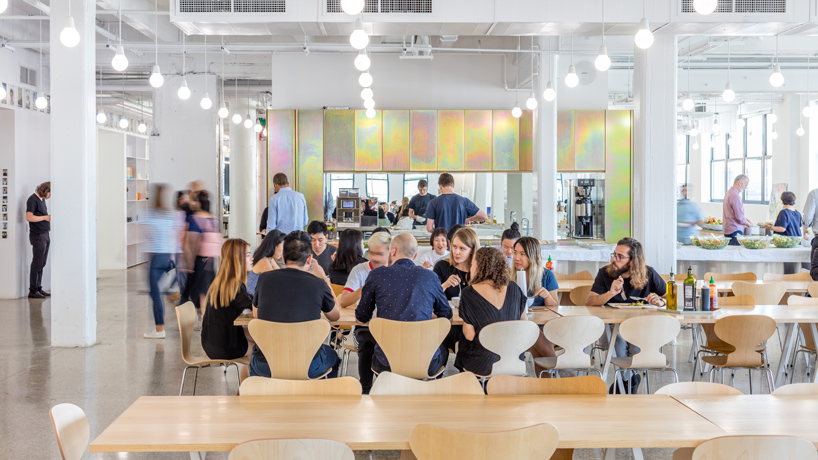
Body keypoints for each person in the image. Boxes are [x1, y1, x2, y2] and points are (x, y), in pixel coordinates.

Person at [356, 233, 452, 377]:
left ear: (392, 251)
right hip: (425, 363)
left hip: (386, 363)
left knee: (371, 344)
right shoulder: (430, 277)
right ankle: (431, 392)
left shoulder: (377, 275)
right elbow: (446, 316)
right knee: (442, 347)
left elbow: (361, 317)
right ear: (415, 256)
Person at [250, 231, 341, 379]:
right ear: (310, 259)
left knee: (255, 359)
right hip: (307, 364)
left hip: (267, 364)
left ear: (284, 257)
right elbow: (336, 316)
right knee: (333, 357)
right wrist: (323, 276)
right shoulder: (318, 283)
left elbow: (256, 316)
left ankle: (265, 396)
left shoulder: (265, 279)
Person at [585, 237, 666, 391]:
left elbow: (669, 297)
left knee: (636, 350)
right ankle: (630, 382)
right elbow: (589, 302)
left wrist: (661, 302)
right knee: (618, 346)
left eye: (620, 257)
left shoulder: (649, 273)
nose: (614, 259)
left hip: (641, 327)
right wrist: (610, 293)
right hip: (612, 325)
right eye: (614, 254)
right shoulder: (605, 273)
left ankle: (624, 385)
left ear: (633, 261)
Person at [455, 247, 527, 376]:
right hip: (514, 359)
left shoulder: (469, 293)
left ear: (479, 267)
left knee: (461, 342)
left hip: (484, 363)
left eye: (472, 264)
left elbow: (469, 335)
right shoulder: (515, 289)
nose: (470, 268)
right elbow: (523, 325)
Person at [337, 231, 391, 393]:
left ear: (391, 251)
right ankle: (365, 388)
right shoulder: (360, 270)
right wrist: (367, 286)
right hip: (364, 326)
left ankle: (390, 388)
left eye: (380, 254)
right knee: (367, 343)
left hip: (392, 325)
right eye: (372, 253)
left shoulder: (397, 271)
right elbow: (344, 301)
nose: (374, 258)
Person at [201, 239, 256, 382]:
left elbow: (251, 301)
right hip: (223, 346)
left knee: (258, 337)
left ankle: (245, 390)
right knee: (261, 350)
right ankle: (248, 390)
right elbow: (256, 306)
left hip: (211, 342)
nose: (252, 258)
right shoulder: (235, 287)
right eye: (248, 255)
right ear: (237, 259)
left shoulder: (224, 282)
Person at [143, 185, 182, 339]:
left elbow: (147, 236)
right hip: (168, 257)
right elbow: (177, 235)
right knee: (157, 292)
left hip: (156, 258)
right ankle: (159, 329)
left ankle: (159, 329)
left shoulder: (150, 215)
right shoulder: (168, 216)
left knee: (155, 294)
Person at [183, 191, 220, 314]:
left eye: (194, 200)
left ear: (199, 203)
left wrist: (188, 261)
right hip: (211, 258)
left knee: (201, 289)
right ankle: (204, 314)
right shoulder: (213, 218)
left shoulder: (194, 218)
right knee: (207, 286)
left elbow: (190, 242)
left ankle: (204, 317)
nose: (191, 203)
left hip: (200, 258)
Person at [434, 227, 480, 300]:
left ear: (472, 250)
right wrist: (445, 285)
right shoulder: (441, 266)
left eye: (462, 248)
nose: (456, 252)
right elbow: (430, 297)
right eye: (454, 246)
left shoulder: (480, 271)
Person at [513, 237, 559, 307]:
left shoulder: (547, 275)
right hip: (516, 317)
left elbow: (555, 307)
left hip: (541, 317)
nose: (516, 258)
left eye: (522, 254)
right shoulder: (507, 275)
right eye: (515, 252)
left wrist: (547, 296)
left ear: (533, 257)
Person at [25, 181, 51, 299]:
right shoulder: (32, 199)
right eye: (50, 193)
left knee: (42, 263)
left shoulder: (42, 200)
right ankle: (33, 290)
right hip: (38, 236)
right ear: (45, 190)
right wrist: (45, 217)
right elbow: (29, 217)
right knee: (37, 263)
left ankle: (38, 288)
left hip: (45, 234)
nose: (50, 196)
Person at [246, 230, 285, 296]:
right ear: (274, 246)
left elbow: (281, 273)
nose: (284, 251)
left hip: (258, 298)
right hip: (252, 300)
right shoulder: (263, 261)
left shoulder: (269, 259)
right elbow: (277, 280)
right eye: (283, 247)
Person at [723, 174, 754, 246]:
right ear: (740, 183)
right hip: (735, 231)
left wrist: (750, 222)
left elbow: (737, 214)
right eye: (745, 185)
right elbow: (740, 218)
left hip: (728, 229)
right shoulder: (736, 196)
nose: (745, 187)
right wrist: (751, 226)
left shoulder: (728, 193)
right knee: (735, 254)